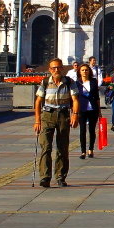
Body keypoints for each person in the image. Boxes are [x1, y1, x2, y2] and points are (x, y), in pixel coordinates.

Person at [33, 59, 80, 187]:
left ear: (63, 69)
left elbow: (75, 100)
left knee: (62, 147)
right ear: (50, 70)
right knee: (46, 146)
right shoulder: (45, 82)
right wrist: (37, 120)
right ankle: (45, 177)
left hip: (63, 115)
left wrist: (75, 115)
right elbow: (38, 102)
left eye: (58, 68)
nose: (56, 70)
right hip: (47, 115)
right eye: (53, 68)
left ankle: (60, 176)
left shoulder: (69, 82)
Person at [75, 64, 102, 159]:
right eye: (82, 70)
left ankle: (91, 149)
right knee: (82, 130)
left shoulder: (94, 81)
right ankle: (83, 151)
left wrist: (99, 110)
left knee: (92, 130)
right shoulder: (77, 83)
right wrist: (74, 111)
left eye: (86, 70)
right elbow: (75, 98)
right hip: (82, 109)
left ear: (89, 71)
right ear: (79, 72)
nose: (84, 72)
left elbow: (97, 97)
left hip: (92, 108)